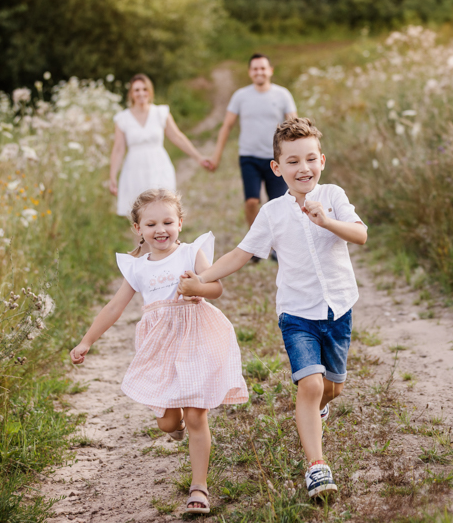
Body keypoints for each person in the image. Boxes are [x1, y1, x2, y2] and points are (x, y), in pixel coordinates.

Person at [179, 118, 367, 499]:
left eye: (310, 159)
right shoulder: (272, 213)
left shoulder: (333, 196)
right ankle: (317, 467)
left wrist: (327, 221)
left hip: (338, 308)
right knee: (310, 385)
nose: (303, 168)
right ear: (277, 168)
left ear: (322, 161)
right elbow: (240, 254)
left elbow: (361, 234)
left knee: (332, 388)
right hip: (297, 314)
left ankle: (316, 410)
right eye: (293, 162)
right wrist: (201, 279)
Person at [70, 189, 248, 514]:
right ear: (138, 229)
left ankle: (199, 488)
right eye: (151, 224)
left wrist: (197, 287)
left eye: (168, 222)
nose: (160, 230)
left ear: (180, 223)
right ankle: (175, 425)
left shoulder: (191, 253)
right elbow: (114, 308)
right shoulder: (138, 268)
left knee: (196, 416)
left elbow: (217, 288)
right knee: (168, 423)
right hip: (160, 347)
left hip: (195, 338)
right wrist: (87, 341)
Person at [208, 54, 297, 235]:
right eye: (255, 69)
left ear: (270, 71)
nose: (259, 72)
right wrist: (216, 157)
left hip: (276, 159)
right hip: (249, 157)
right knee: (251, 201)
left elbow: (295, 127)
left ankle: (278, 242)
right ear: (250, 72)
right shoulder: (240, 96)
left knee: (279, 203)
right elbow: (227, 126)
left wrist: (297, 158)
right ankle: (255, 239)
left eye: (263, 68)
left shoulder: (283, 95)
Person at [109, 74, 212, 218]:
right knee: (139, 215)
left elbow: (177, 137)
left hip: (159, 166)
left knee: (164, 210)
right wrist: (112, 176)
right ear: (131, 94)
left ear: (150, 91)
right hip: (135, 170)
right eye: (137, 90)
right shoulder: (123, 118)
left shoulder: (160, 113)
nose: (141, 93)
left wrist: (198, 157)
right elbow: (118, 149)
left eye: (145, 89)